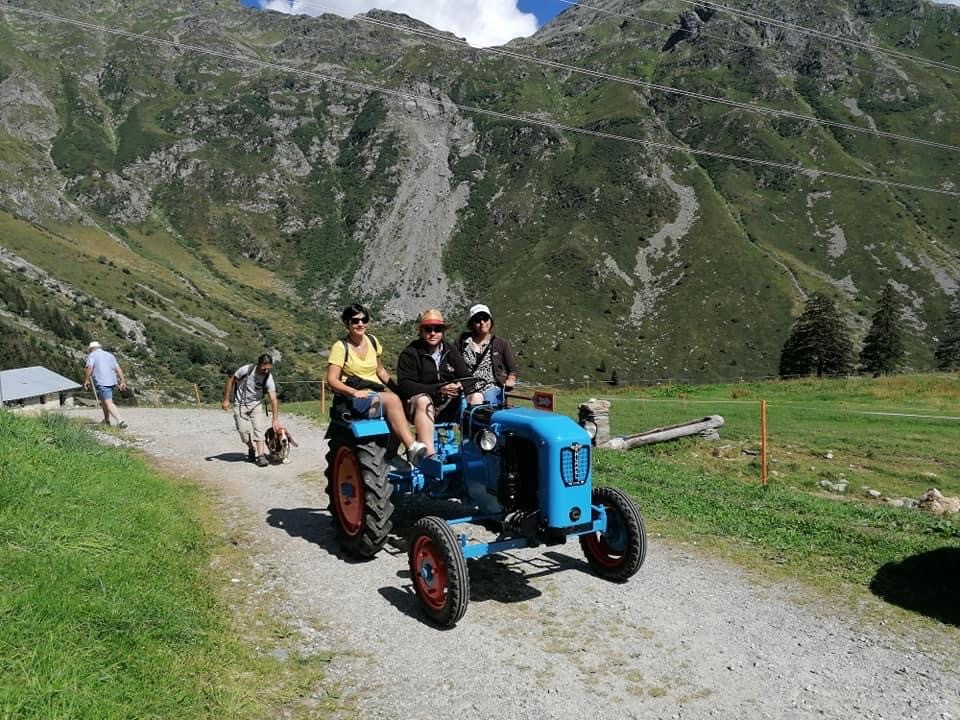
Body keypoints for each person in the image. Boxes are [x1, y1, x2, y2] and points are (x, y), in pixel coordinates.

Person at [326, 304, 427, 465]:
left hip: (375, 394)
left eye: (364, 319)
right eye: (355, 321)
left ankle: (392, 453)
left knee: (405, 401)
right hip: (355, 398)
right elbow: (332, 380)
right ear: (346, 323)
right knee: (392, 400)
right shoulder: (340, 347)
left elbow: (380, 371)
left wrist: (399, 390)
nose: (360, 324)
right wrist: (353, 392)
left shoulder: (372, 341)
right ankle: (412, 446)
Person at [396, 309, 474, 459]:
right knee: (423, 401)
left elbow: (467, 377)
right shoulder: (410, 353)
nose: (433, 333)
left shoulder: (450, 351)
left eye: (437, 329)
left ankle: (475, 448)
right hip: (420, 407)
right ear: (421, 331)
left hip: (449, 405)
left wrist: (460, 386)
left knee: (475, 397)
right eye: (428, 329)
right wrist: (438, 389)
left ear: (443, 331)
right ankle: (429, 455)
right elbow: (405, 386)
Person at [222, 354, 281, 467]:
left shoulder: (268, 377)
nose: (266, 371)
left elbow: (273, 399)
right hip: (240, 405)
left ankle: (261, 456)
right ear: (258, 364)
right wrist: (226, 399)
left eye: (269, 368)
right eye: (264, 368)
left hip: (256, 405)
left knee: (259, 430)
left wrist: (275, 419)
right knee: (243, 433)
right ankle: (251, 448)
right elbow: (231, 381)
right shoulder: (246, 370)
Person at [457, 303, 518, 405]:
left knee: (487, 406)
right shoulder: (462, 341)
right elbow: (451, 361)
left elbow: (512, 370)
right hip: (466, 386)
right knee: (463, 404)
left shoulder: (501, 343)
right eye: (477, 320)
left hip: (491, 386)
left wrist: (511, 379)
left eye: (485, 318)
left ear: (490, 320)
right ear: (472, 323)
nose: (482, 322)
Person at [83, 341, 129, 428]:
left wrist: (87, 380)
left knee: (109, 403)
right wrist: (122, 381)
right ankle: (106, 420)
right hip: (112, 381)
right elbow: (118, 369)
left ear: (91, 349)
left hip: (102, 381)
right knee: (103, 400)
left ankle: (121, 421)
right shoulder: (110, 355)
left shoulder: (92, 355)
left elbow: (90, 367)